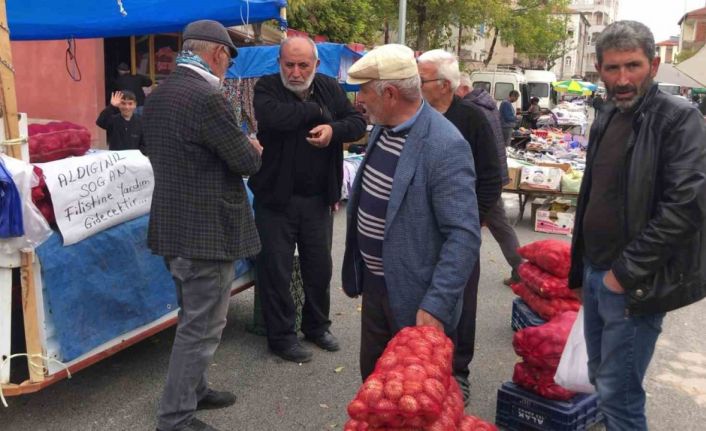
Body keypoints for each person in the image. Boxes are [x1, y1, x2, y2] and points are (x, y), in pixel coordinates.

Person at [569, 20, 706, 431]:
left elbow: (687, 204)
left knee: (619, 393)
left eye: (633, 66)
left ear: (655, 65)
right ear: (598, 68)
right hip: (596, 271)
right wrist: (581, 270)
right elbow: (592, 194)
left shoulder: (678, 118)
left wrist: (623, 274)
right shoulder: (607, 113)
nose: (623, 78)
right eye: (612, 68)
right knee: (599, 378)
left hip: (631, 282)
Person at [143, 20, 262, 431]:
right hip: (206, 233)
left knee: (192, 318)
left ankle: (195, 390)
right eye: (228, 55)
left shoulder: (159, 95)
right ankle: (175, 417)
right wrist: (252, 146)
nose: (228, 63)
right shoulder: (208, 97)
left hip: (175, 229)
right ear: (216, 53)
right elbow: (245, 162)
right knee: (202, 329)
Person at [341, 44, 481, 381]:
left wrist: (435, 305)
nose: (359, 100)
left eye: (363, 91)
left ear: (389, 93)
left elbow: (463, 236)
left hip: (416, 299)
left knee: (413, 397)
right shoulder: (383, 127)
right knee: (375, 386)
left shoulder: (445, 145)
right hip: (377, 289)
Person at [250, 37, 366, 363]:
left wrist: (332, 130)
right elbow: (275, 118)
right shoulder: (267, 87)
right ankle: (282, 336)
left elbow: (357, 123)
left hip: (317, 198)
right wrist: (316, 111)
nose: (297, 72)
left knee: (319, 267)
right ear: (279, 64)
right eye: (290, 64)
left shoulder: (329, 86)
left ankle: (317, 326)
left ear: (316, 64)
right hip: (275, 198)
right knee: (276, 270)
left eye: (303, 65)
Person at [417, 49, 501, 405]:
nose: (415, 86)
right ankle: (421, 364)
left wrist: (473, 220)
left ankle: (458, 371)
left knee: (460, 301)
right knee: (423, 297)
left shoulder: (471, 120)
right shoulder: (415, 117)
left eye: (421, 80)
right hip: (420, 231)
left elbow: (492, 176)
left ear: (444, 86)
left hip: (458, 232)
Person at [461, 87, 523, 287]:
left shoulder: (472, 110)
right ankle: (520, 269)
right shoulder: (487, 105)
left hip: (484, 179)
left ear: (463, 89)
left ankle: (521, 270)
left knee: (498, 226)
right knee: (500, 226)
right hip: (492, 176)